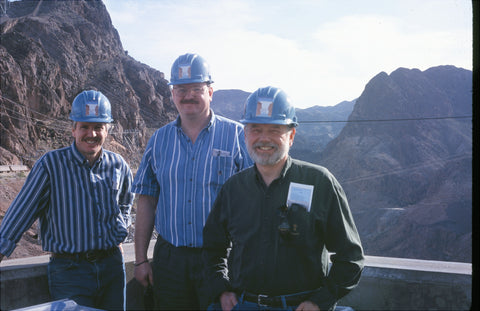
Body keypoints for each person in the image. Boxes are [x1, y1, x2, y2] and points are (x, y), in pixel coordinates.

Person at [203, 86, 365, 311]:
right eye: (256, 129)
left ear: (292, 135)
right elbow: (212, 247)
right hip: (244, 304)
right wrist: (222, 288)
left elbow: (351, 256)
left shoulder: (320, 182)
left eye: (275, 130)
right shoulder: (234, 188)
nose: (264, 138)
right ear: (245, 134)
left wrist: (321, 302)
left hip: (300, 306)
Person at [132, 53, 253, 310]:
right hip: (170, 261)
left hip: (221, 261)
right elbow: (146, 200)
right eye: (181, 89)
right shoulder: (159, 140)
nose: (188, 95)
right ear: (173, 94)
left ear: (210, 91)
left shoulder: (237, 137)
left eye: (196, 88)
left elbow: (256, 202)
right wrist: (141, 260)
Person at [0, 90, 134, 311]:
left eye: (98, 127)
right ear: (73, 129)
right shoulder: (51, 166)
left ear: (107, 131)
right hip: (70, 271)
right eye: (84, 127)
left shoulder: (118, 165)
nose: (91, 133)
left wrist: (119, 234)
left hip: (112, 268)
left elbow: (126, 204)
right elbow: (20, 214)